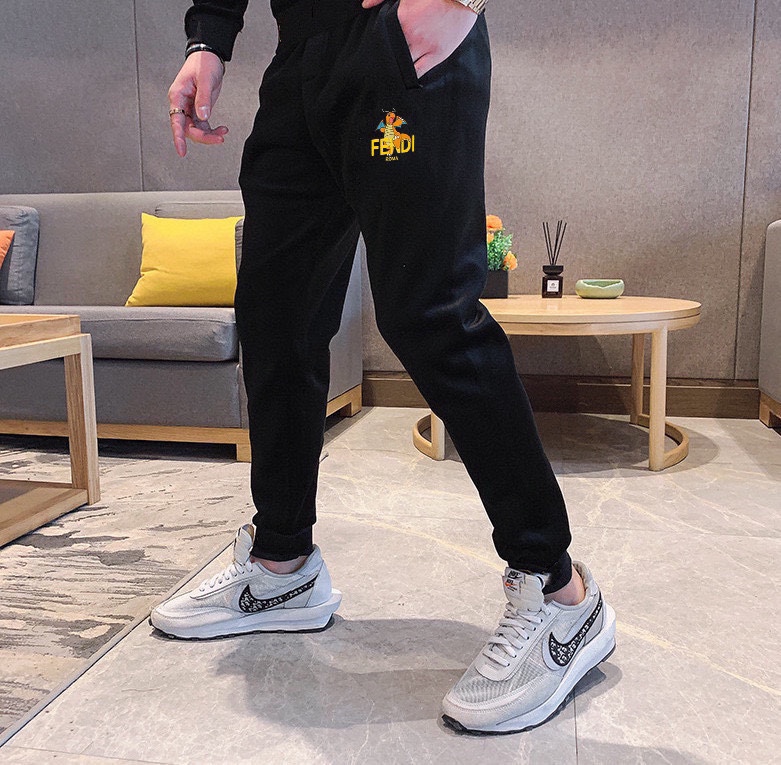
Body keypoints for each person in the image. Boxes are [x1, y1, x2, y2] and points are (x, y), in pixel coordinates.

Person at [151, 0, 616, 734]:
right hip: (298, 59)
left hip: (401, 36)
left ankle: (562, 595)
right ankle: (282, 566)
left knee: (430, 316)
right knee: (275, 318)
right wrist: (208, 36)